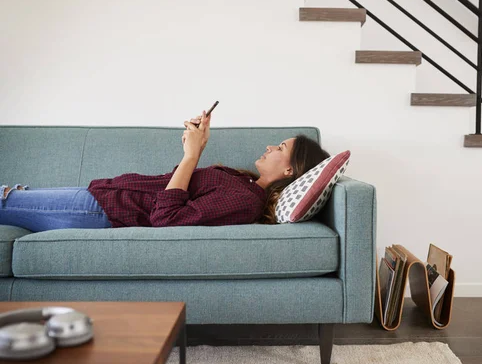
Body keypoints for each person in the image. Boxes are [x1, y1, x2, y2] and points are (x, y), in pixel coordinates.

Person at [0, 111, 330, 232]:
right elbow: (182, 189)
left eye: (281, 148)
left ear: (290, 168)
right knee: (10, 196)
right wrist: (198, 147)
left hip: (103, 210)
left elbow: (167, 219)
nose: (271, 147)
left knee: (5, 201)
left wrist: (190, 155)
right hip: (99, 195)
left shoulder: (246, 201)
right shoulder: (243, 182)